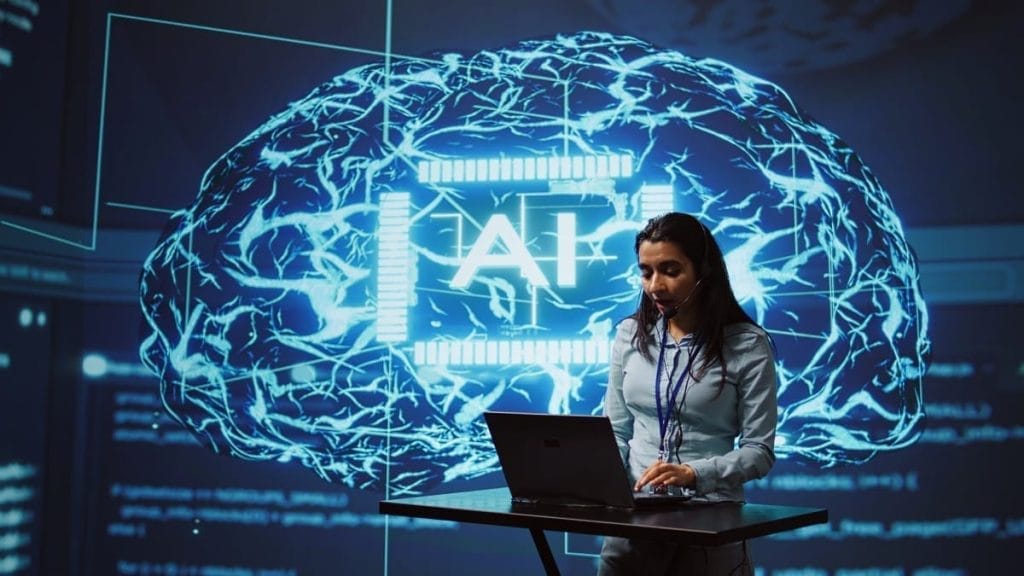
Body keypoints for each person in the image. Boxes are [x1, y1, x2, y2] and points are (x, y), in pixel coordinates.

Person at [598, 212, 778, 576]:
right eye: (646, 272)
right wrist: (598, 480)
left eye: (670, 270)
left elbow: (759, 451)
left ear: (704, 271)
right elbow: (616, 431)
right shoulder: (629, 335)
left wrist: (693, 474)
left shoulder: (747, 343)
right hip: (634, 526)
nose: (655, 286)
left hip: (712, 524)